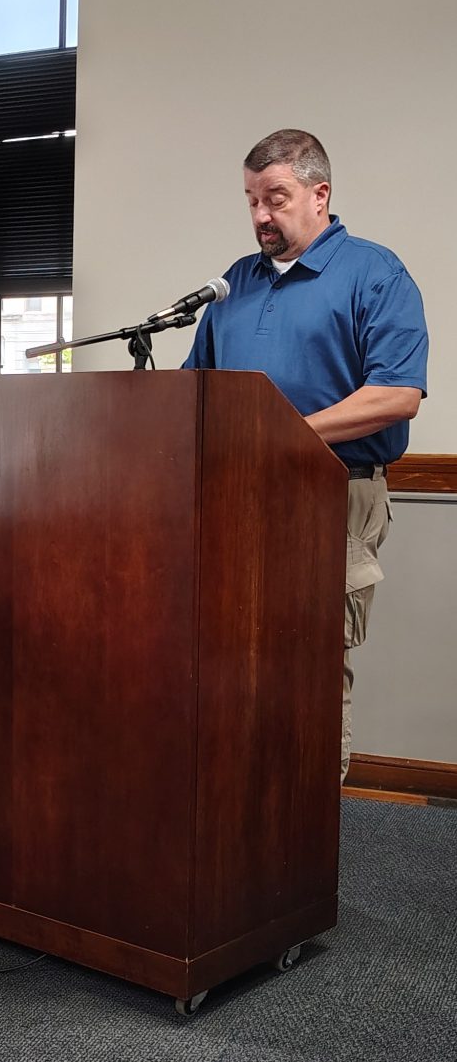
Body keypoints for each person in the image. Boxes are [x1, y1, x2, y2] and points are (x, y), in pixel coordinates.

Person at [183, 129, 428, 782]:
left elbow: (398, 394)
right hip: (238, 495)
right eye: (251, 200)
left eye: (276, 198)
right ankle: (241, 813)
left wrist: (285, 432)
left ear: (320, 195)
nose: (261, 215)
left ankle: (309, 828)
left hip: (334, 494)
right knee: (231, 655)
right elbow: (192, 389)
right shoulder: (236, 283)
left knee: (312, 663)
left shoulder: (375, 274)